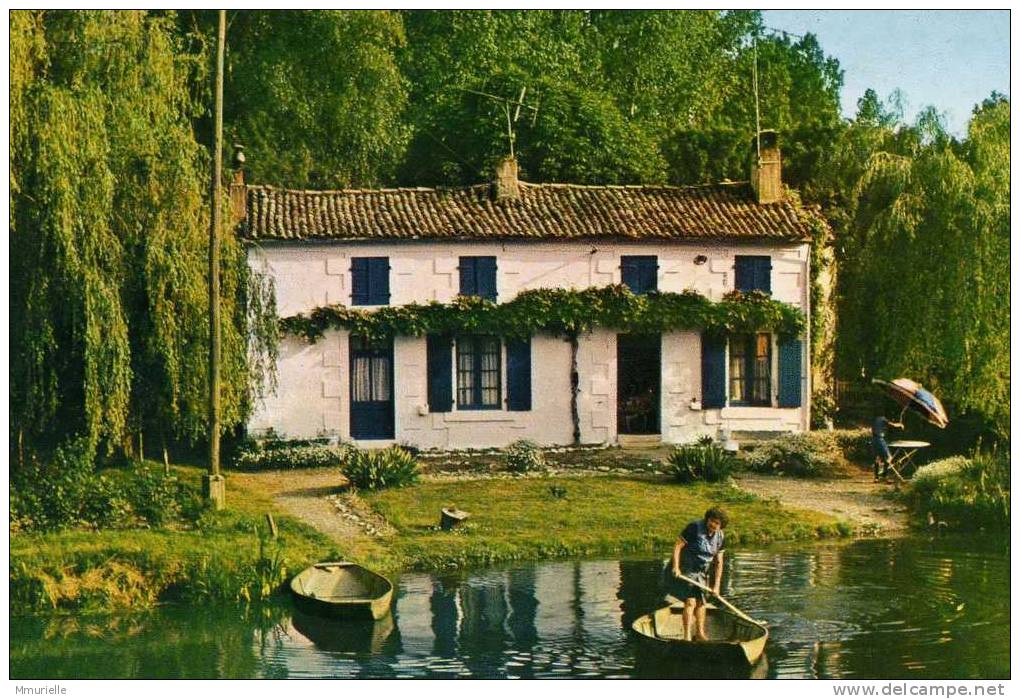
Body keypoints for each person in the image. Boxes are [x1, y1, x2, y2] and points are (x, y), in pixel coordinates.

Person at [666, 506, 727, 642]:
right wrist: (676, 567)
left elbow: (718, 563)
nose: (713, 524)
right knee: (690, 602)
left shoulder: (721, 537)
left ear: (721, 525)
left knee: (701, 603)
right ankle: (687, 636)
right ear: (707, 519)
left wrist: (716, 586)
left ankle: (700, 634)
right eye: (711, 521)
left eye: (717, 523)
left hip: (702, 572)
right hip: (686, 568)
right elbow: (677, 546)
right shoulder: (694, 527)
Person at [872, 414, 904, 481]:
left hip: (874, 440)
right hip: (880, 439)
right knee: (889, 457)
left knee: (877, 458)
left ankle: (876, 478)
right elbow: (892, 425)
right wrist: (900, 424)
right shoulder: (883, 418)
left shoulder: (876, 419)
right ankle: (884, 476)